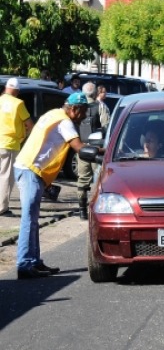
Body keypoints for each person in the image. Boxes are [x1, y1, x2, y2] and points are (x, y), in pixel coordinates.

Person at [13, 92, 98, 279]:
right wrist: (104, 152)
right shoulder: (65, 122)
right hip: (31, 170)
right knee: (29, 218)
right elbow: (80, 149)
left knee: (32, 218)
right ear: (74, 109)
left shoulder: (52, 114)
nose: (84, 116)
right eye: (83, 111)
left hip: (27, 167)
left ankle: (33, 261)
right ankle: (25, 264)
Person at [0, 78, 34, 217]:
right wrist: (26, 136)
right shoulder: (18, 103)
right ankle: (2, 208)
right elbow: (29, 124)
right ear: (16, 90)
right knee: (6, 177)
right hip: (10, 144)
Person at [76, 82, 109, 220]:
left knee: (82, 179)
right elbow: (107, 126)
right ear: (95, 93)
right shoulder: (100, 106)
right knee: (98, 178)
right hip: (97, 148)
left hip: (81, 147)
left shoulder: (77, 107)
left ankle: (82, 210)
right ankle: (95, 208)